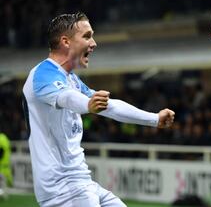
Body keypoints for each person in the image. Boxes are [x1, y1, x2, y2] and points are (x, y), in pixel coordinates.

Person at [22, 12, 175, 207]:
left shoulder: (71, 80)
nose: (93, 43)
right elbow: (66, 98)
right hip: (62, 189)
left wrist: (154, 119)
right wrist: (88, 105)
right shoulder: (42, 74)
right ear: (65, 41)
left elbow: (109, 106)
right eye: (87, 36)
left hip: (82, 183)